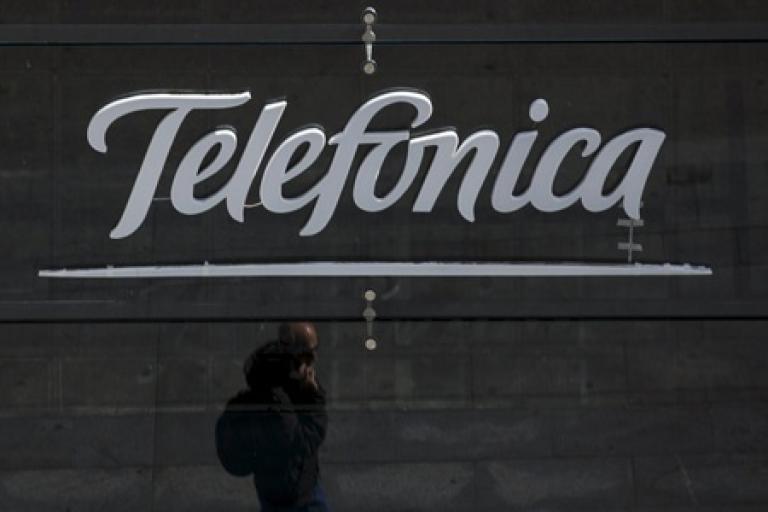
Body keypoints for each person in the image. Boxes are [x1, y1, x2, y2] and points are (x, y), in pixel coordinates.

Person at [216, 322, 330, 511]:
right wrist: (314, 397)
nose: (313, 362)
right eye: (308, 356)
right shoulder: (276, 399)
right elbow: (305, 439)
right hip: (294, 497)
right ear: (295, 357)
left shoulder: (278, 379)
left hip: (280, 490)